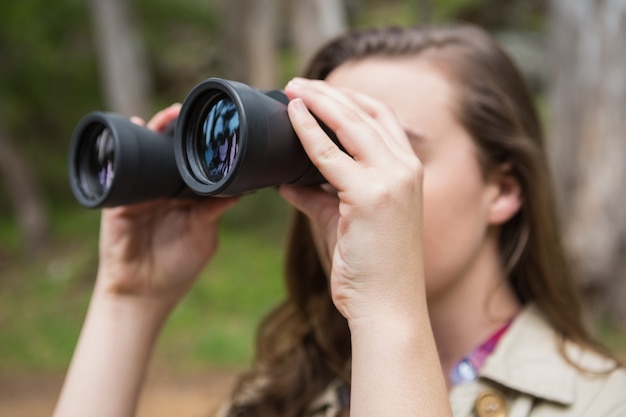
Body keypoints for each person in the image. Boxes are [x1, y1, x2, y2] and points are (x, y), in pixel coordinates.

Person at [53, 24, 626, 417]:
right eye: (322, 151)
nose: (349, 181)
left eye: (390, 149)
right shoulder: (281, 396)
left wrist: (386, 307)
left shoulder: (603, 403)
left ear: (502, 190)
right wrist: (129, 299)